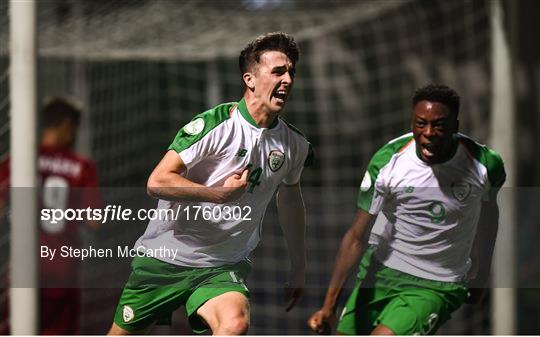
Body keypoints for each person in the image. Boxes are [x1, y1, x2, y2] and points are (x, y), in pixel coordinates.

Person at [108, 32, 313, 335]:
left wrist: (299, 264)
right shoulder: (215, 125)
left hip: (222, 266)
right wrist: (217, 194)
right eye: (278, 72)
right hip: (166, 257)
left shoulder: (294, 144)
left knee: (235, 324)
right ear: (250, 79)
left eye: (291, 72)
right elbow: (157, 181)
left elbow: (290, 198)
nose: (288, 80)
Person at [308, 84, 505, 335]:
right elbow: (356, 236)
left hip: (437, 285)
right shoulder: (389, 161)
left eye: (439, 125)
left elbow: (489, 218)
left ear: (455, 126)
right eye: (421, 124)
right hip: (380, 274)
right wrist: (328, 307)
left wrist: (481, 274)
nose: (429, 133)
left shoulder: (485, 165)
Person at [0, 96, 100, 334]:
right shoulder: (81, 166)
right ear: (66, 126)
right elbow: (94, 220)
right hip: (62, 269)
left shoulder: (17, 161)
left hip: (24, 267)